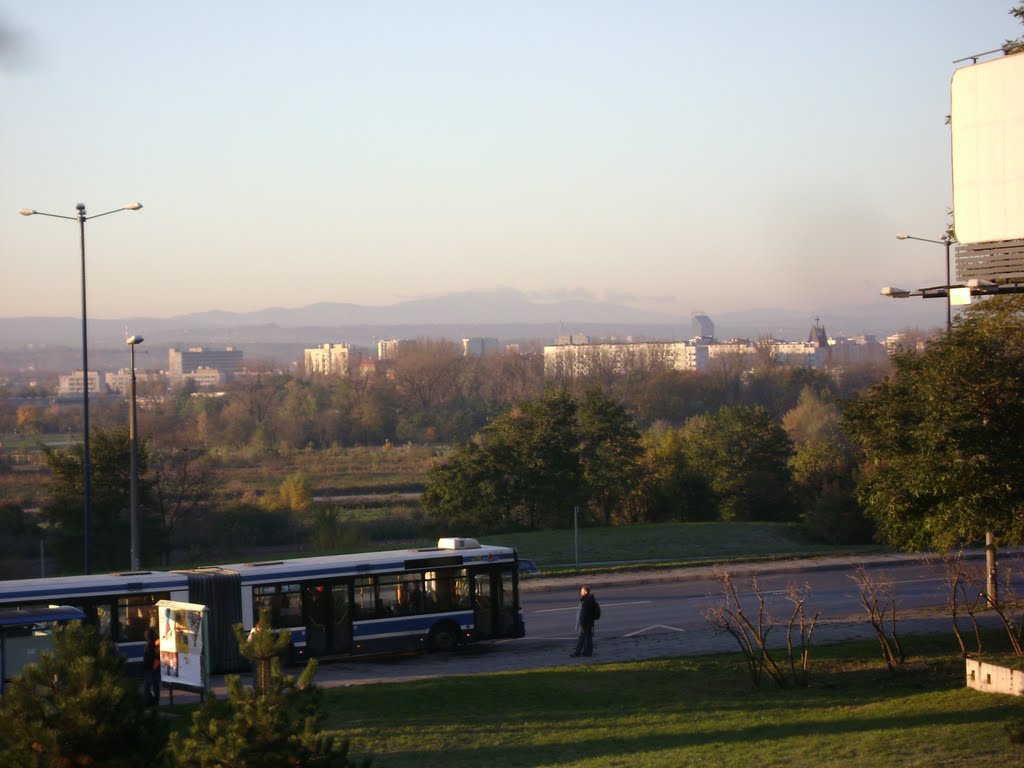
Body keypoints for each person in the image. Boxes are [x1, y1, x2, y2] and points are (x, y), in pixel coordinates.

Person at [571, 585, 600, 658]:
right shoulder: (590, 599)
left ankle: (577, 653)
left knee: (582, 638)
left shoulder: (586, 601)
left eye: (582, 591)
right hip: (589, 622)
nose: (580, 592)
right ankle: (588, 653)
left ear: (586, 592)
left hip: (586, 623)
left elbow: (584, 613)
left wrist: (582, 623)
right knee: (588, 638)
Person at [142, 626, 160, 706]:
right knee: (156, 685)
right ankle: (155, 701)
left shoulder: (148, 646)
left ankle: (146, 702)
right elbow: (157, 658)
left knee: (147, 686)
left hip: (149, 668)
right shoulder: (156, 645)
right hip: (154, 668)